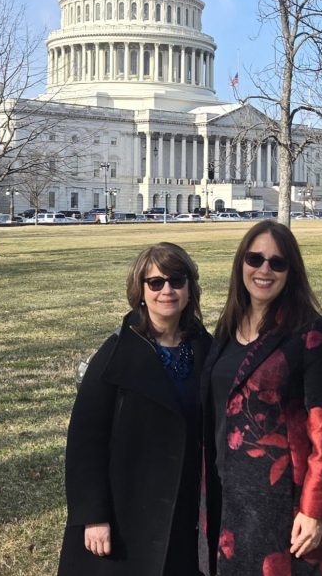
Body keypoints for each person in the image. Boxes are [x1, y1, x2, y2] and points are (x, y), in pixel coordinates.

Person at [58, 242, 211, 576]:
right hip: (126, 508)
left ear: (189, 288)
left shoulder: (204, 347)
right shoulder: (115, 355)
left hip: (183, 507)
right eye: (155, 283)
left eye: (176, 280)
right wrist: (93, 515)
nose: (166, 290)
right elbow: (85, 440)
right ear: (141, 291)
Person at [202, 221, 322, 576]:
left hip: (280, 500)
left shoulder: (311, 333)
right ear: (241, 264)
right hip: (223, 492)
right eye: (255, 259)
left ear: (290, 271)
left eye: (277, 263)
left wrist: (314, 509)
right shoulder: (228, 326)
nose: (264, 269)